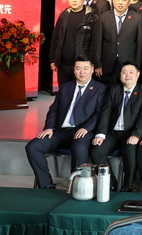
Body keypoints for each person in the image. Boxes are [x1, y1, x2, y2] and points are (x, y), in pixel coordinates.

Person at [26, 56, 106, 189]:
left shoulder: (100, 89)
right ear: (74, 70)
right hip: (60, 131)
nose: (82, 72)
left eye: (86, 68)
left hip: (83, 132)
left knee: (79, 148)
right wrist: (49, 127)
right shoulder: (65, 87)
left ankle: (76, 186)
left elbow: (99, 113)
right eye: (78, 68)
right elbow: (54, 109)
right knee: (33, 146)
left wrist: (86, 128)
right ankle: (46, 185)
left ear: (92, 69)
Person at [91, 62, 142, 191]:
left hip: (131, 133)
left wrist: (136, 134)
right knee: (96, 151)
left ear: (138, 75)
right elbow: (105, 113)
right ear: (120, 74)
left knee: (130, 152)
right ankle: (111, 184)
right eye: (124, 72)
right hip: (113, 133)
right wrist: (100, 134)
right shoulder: (114, 90)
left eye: (131, 72)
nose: (127, 75)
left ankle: (128, 187)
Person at [91, 0, 142, 85]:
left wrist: (137, 66)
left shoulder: (137, 18)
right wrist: (97, 64)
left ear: (129, 2)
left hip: (129, 64)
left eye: (124, 0)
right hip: (107, 64)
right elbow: (97, 43)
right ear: (113, 0)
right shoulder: (103, 17)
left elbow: (140, 45)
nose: (120, 3)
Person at [50, 0, 99, 87]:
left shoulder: (92, 17)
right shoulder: (64, 15)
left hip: (83, 65)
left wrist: (95, 63)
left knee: (81, 93)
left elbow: (96, 42)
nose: (74, 0)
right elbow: (55, 38)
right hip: (64, 64)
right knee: (64, 92)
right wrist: (53, 59)